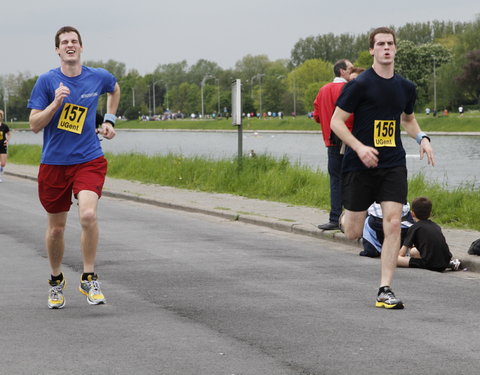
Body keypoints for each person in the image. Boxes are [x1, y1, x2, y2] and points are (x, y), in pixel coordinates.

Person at [330, 27, 435, 309]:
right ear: (372, 50)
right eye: (380, 44)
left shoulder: (406, 87)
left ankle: (384, 288)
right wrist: (359, 147)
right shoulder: (360, 85)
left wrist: (422, 137)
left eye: (390, 43)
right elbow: (336, 122)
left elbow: (408, 119)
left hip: (392, 163)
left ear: (395, 49)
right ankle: (344, 216)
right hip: (359, 163)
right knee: (352, 231)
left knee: (392, 222)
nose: (386, 48)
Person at [27, 26, 121, 309]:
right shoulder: (46, 82)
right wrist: (55, 103)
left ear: (81, 47)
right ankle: (56, 281)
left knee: (88, 215)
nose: (70, 45)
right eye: (64, 42)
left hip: (88, 159)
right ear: (57, 50)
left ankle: (89, 276)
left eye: (74, 41)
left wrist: (109, 120)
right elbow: (33, 125)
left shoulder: (98, 77)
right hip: (55, 163)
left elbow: (114, 89)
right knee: (56, 229)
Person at [313, 59, 353, 230]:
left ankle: (334, 217)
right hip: (351, 140)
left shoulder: (323, 90)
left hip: (331, 141)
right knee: (353, 180)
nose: (353, 72)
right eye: (351, 69)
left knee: (335, 180)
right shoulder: (349, 89)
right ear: (342, 71)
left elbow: (316, 116)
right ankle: (352, 220)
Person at [397, 197, 462, 272]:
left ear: (412, 214)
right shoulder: (435, 226)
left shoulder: (414, 228)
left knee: (395, 260)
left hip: (430, 264)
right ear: (430, 213)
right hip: (445, 262)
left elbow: (401, 253)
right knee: (413, 251)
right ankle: (451, 263)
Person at [0, 109, 12, 182]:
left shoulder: (4, 126)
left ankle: (1, 169)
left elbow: (9, 134)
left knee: (3, 164)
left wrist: (7, 140)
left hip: (3, 145)